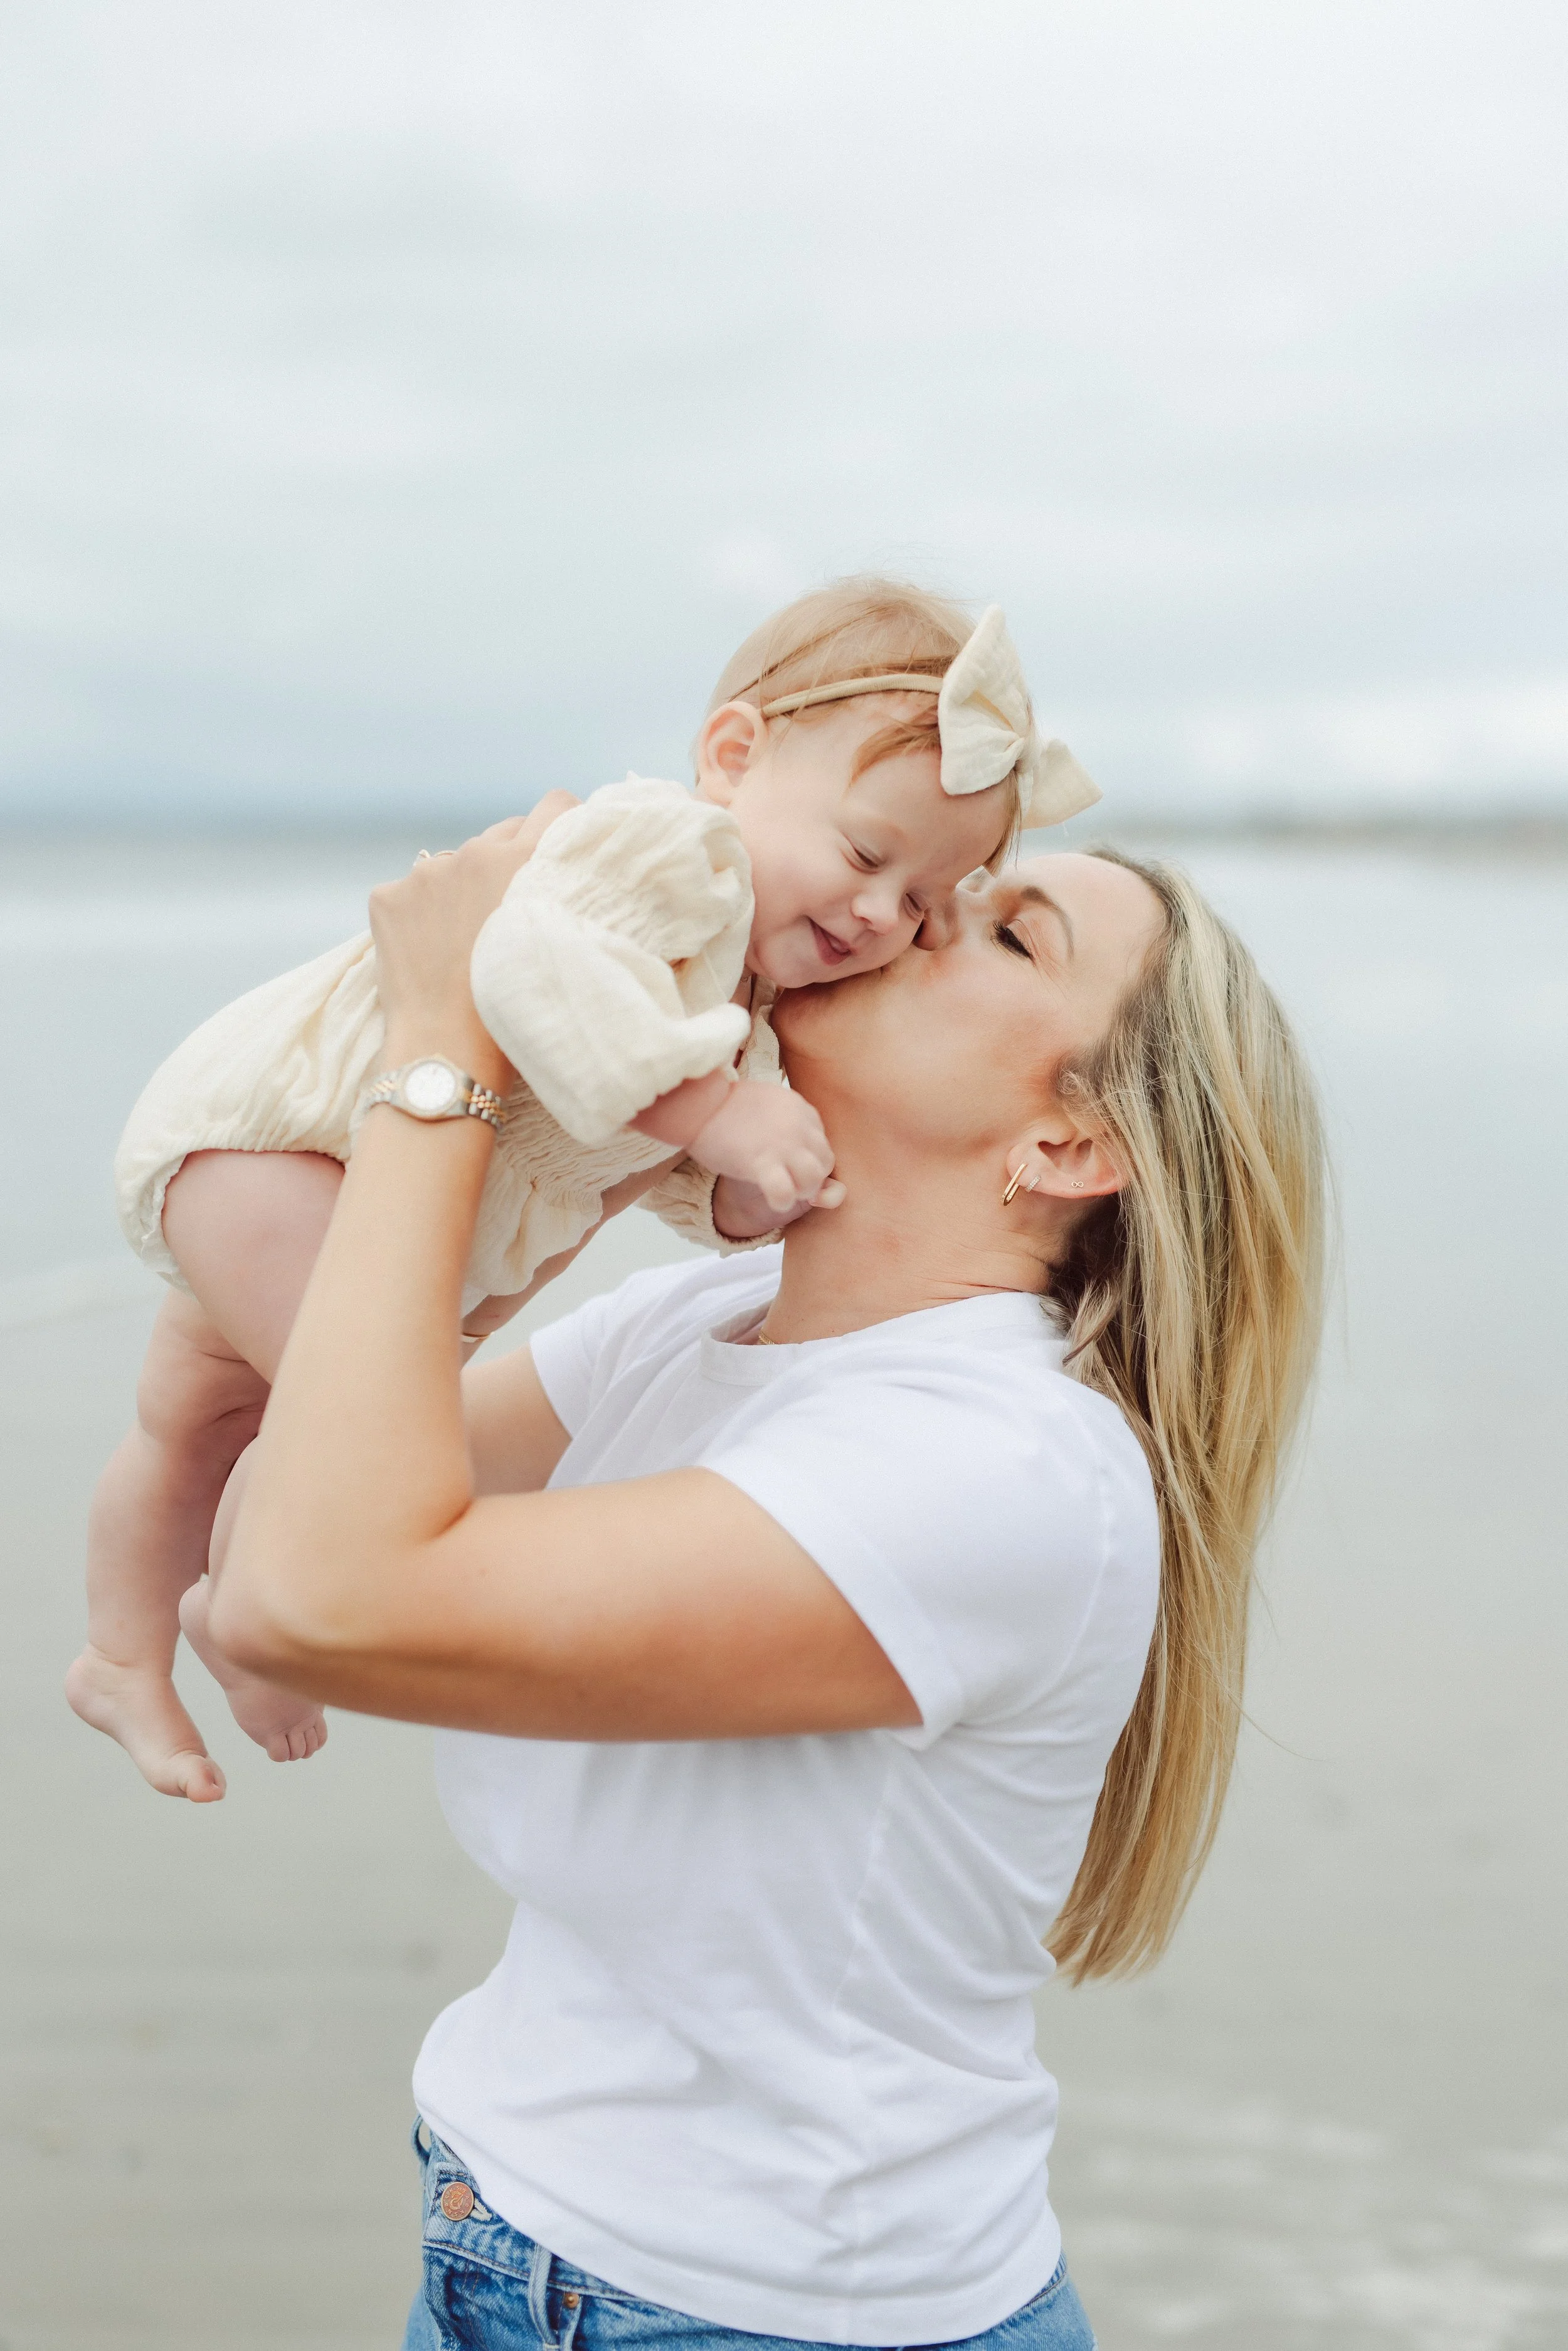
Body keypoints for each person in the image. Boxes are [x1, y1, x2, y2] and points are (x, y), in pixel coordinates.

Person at [206, 809, 1327, 2351]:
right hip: (500, 2218)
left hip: (763, 2308)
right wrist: (562, 1124)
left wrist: (443, 1049)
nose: (921, 911)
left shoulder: (997, 1466)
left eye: (1009, 931)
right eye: (949, 885)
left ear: (1066, 1144)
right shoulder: (703, 1317)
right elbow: (281, 1489)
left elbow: (311, 1595)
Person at [66, 580, 1100, 1803]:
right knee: (355, 1421)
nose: (885, 914)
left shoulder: (755, 999)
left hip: (353, 1178)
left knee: (196, 1425)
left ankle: (123, 1651)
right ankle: (257, 1624)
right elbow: (528, 969)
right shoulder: (675, 854)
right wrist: (717, 1113)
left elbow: (652, 1162)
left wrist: (741, 1196)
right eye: (868, 855)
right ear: (733, 755)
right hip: (294, 1151)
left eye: (925, 903)